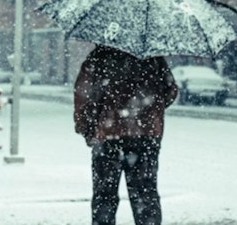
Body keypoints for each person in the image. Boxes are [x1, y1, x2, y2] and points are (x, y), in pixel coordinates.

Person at [74, 44, 179, 225]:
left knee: (104, 196)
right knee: (145, 194)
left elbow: (84, 97)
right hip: (145, 135)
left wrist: (88, 128)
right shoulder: (153, 58)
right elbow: (170, 90)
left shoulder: (99, 57)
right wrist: (148, 112)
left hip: (108, 135)